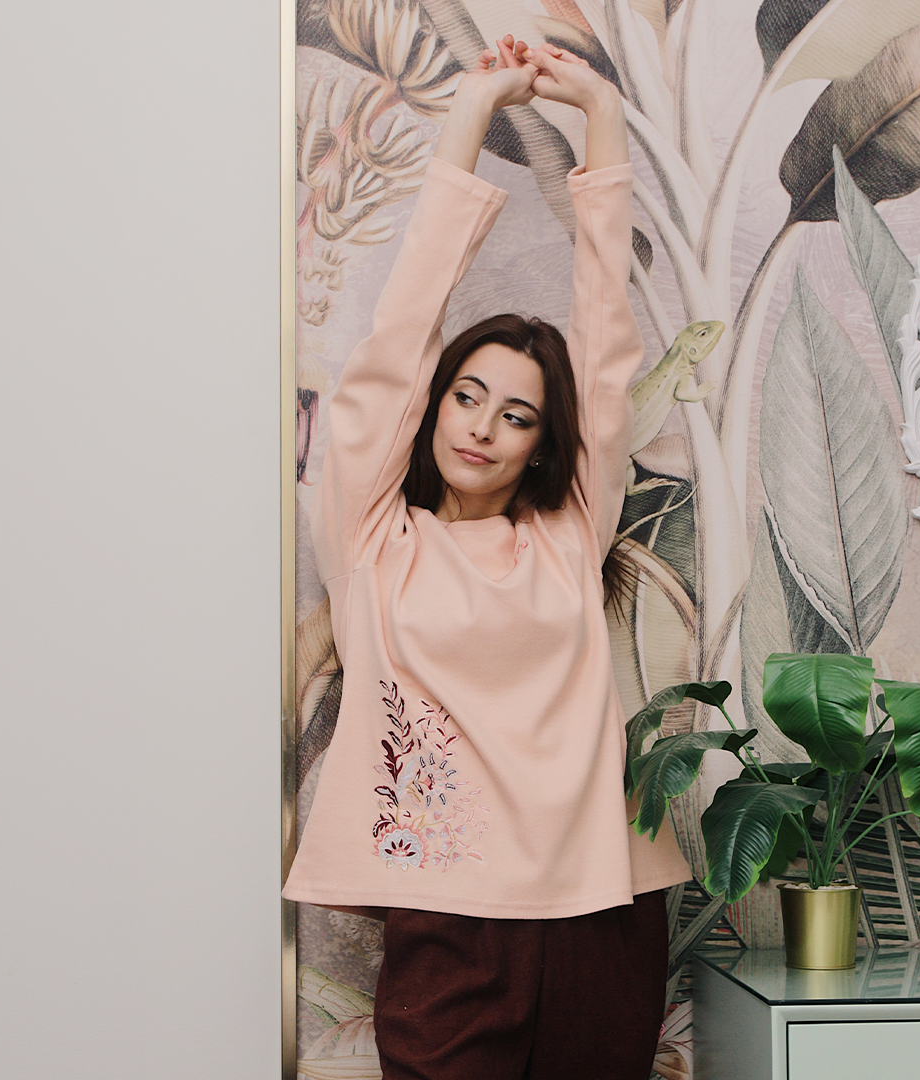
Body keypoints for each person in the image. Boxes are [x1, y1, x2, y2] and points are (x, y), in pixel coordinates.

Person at [283, 33, 691, 1080]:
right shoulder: (373, 540)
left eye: (516, 414)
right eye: (466, 396)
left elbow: (605, 343)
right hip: (448, 915)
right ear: (432, 408)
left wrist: (603, 118)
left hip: (601, 910)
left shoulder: (567, 533)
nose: (481, 426)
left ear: (543, 445)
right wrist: (469, 113)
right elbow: (396, 340)